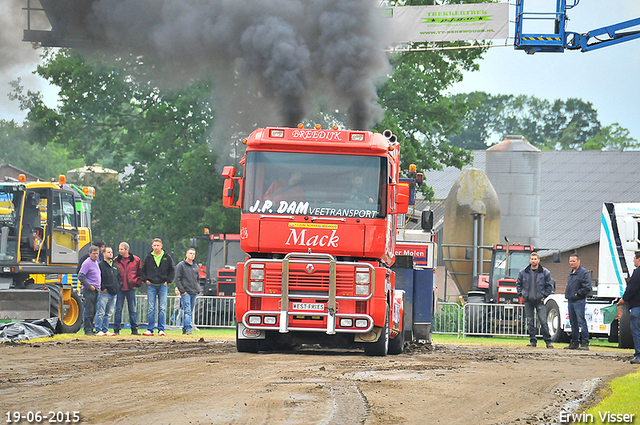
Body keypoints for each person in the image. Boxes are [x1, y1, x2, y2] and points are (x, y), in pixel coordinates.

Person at [516, 252, 555, 348]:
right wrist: (521, 294)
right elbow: (518, 284)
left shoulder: (545, 272)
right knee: (530, 321)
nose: (533, 261)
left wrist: (544, 296)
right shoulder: (523, 272)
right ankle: (532, 341)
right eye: (532, 259)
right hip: (528, 300)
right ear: (530, 260)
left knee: (543, 321)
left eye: (535, 259)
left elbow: (549, 286)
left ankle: (548, 341)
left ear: (538, 260)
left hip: (539, 300)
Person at [141, 238, 175, 336]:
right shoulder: (148, 257)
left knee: (162, 308)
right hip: (151, 285)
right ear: (152, 246)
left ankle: (161, 329)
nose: (156, 247)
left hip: (162, 285)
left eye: (158, 245)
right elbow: (143, 270)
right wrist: (145, 280)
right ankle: (150, 329)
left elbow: (172, 270)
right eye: (154, 245)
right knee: (151, 308)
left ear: (161, 246)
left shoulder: (167, 257)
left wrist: (168, 281)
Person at [564, 254, 592, 350]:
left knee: (581, 321)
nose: (572, 263)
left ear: (578, 261)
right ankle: (575, 342)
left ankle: (585, 342)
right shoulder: (571, 273)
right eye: (570, 261)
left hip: (579, 300)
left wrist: (577, 295)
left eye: (573, 261)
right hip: (571, 300)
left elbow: (587, 287)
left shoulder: (583, 273)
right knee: (573, 322)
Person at [113, 242, 142, 335]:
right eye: (119, 249)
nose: (119, 251)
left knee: (132, 309)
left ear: (127, 250)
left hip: (131, 288)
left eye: (121, 249)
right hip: (120, 288)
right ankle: (116, 328)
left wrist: (137, 283)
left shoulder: (136, 260)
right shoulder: (116, 260)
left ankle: (134, 328)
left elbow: (140, 273)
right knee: (118, 309)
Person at [618, 251, 640, 364]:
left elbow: (631, 289)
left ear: (639, 259)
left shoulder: (637, 273)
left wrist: (623, 300)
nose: (633, 261)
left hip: (637, 307)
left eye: (634, 258)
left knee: (637, 331)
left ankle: (638, 355)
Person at [175, 247, 200, 335]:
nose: (192, 255)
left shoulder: (195, 266)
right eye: (190, 253)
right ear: (186, 254)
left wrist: (198, 289)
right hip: (186, 292)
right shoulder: (180, 265)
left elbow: (197, 279)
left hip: (194, 292)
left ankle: (185, 328)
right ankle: (188, 329)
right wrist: (182, 291)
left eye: (193, 254)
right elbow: (177, 279)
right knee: (187, 310)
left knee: (190, 310)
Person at [95, 246, 120, 336]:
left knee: (109, 313)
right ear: (104, 254)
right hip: (104, 293)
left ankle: (105, 329)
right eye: (108, 252)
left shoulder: (114, 265)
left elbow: (118, 277)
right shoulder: (101, 265)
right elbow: (98, 277)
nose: (110, 254)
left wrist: (117, 287)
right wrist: (102, 288)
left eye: (111, 252)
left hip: (113, 292)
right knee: (100, 312)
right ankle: (98, 329)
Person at [78, 245, 101, 336]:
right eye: (94, 253)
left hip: (96, 289)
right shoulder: (87, 263)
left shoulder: (96, 263)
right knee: (89, 310)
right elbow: (81, 276)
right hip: (89, 290)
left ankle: (91, 328)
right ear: (90, 254)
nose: (96, 255)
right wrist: (88, 286)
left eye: (97, 254)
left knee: (94, 310)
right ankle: (87, 329)